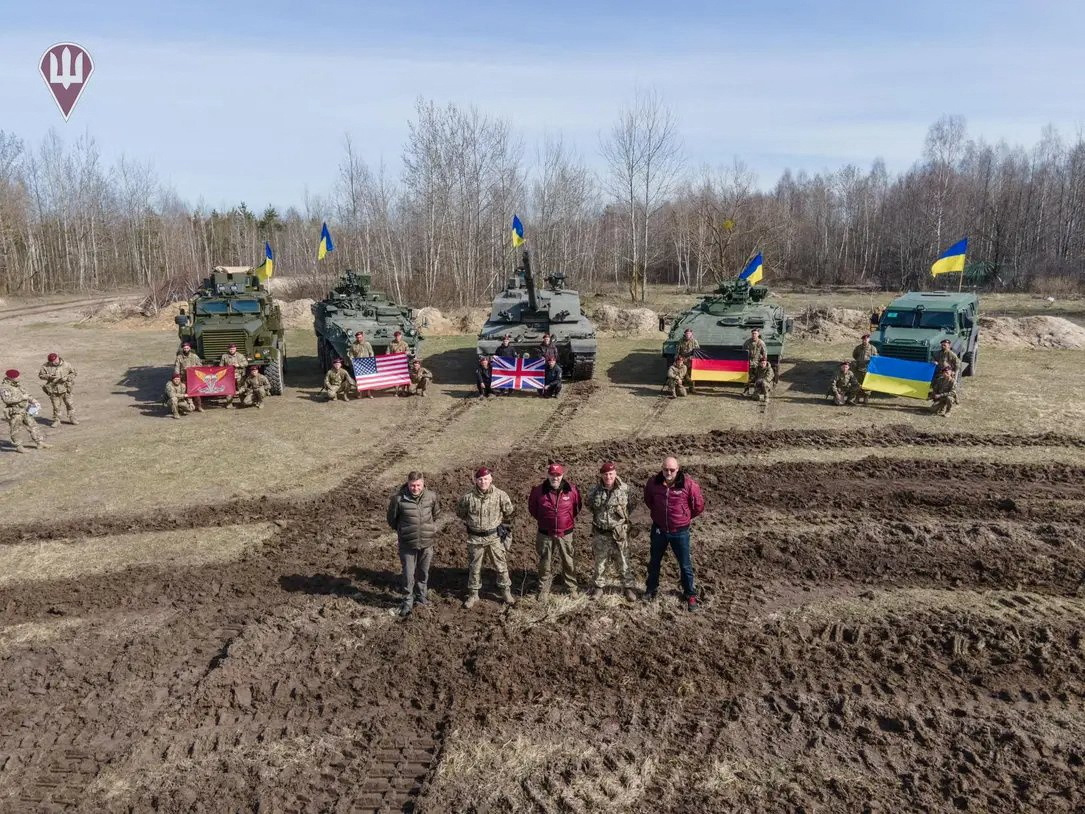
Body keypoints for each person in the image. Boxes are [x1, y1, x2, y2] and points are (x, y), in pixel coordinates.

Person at [642, 457, 705, 611]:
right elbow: (649, 501)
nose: (668, 472)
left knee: (685, 565)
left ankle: (690, 594)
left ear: (678, 469)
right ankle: (651, 590)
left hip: (680, 532)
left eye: (672, 470)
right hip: (659, 530)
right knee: (654, 562)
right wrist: (659, 516)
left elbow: (698, 506)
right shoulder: (653, 483)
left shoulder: (688, 484)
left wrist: (683, 518)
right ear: (661, 468)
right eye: (665, 469)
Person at [455, 467, 516, 608]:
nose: (483, 482)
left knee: (501, 566)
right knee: (474, 568)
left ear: (491, 479)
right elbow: (460, 513)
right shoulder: (468, 498)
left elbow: (509, 512)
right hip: (475, 539)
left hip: (494, 538)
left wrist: (506, 532)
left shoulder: (501, 495)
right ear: (476, 480)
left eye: (486, 479)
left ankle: (505, 591)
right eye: (480, 479)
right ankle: (473, 594)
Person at [387, 470, 441, 616]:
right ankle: (407, 601)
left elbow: (435, 514)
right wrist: (404, 531)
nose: (415, 488)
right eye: (412, 486)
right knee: (408, 575)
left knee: (423, 573)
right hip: (407, 544)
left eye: (418, 485)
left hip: (426, 543)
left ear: (423, 484)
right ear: (408, 484)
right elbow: (392, 520)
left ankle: (421, 597)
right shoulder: (398, 499)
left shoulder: (431, 497)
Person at [528, 463, 582, 601]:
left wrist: (565, 521)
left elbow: (576, 508)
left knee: (568, 561)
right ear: (548, 475)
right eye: (552, 475)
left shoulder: (572, 491)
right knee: (544, 562)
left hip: (566, 533)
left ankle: (571, 588)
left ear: (562, 475)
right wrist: (547, 521)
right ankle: (543, 589)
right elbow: (533, 510)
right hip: (545, 533)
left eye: (558, 475)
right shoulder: (538, 491)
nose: (555, 478)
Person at [586, 462, 638, 601]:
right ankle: (599, 588)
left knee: (623, 561)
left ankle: (628, 588)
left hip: (619, 533)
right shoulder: (594, 491)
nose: (608, 476)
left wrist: (619, 522)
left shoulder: (626, 489)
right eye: (605, 474)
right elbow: (590, 506)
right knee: (600, 562)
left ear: (615, 474)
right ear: (601, 475)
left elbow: (632, 505)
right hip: (601, 533)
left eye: (610, 474)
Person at [2, 370, 50, 453]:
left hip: (24, 410)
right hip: (15, 412)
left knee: (33, 425)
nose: (19, 378)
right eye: (17, 377)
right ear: (11, 378)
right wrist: (22, 398)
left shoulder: (17, 385)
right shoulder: (4, 387)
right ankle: (19, 447)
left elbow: (26, 394)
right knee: (16, 429)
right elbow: (7, 400)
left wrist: (33, 400)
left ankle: (39, 443)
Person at [38, 352, 78, 427]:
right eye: (52, 362)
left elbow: (74, 373)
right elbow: (40, 375)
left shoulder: (66, 364)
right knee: (56, 407)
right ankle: (57, 420)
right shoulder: (45, 366)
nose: (54, 362)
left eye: (55, 360)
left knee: (69, 404)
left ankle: (72, 418)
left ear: (58, 357)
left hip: (66, 389)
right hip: (54, 390)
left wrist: (67, 378)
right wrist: (49, 376)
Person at [173, 343, 204, 412]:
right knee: (185, 392)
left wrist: (192, 368)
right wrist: (177, 377)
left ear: (190, 348)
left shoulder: (194, 356)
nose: (186, 349)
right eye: (184, 348)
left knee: (196, 392)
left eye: (187, 348)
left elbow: (200, 365)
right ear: (182, 349)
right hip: (183, 377)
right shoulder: (179, 357)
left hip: (193, 378)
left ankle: (199, 406)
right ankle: (186, 407)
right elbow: (177, 367)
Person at [219, 343, 248, 409]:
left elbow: (246, 363)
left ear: (235, 349)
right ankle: (229, 404)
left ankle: (243, 402)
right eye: (230, 349)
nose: (232, 350)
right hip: (228, 376)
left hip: (239, 375)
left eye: (233, 349)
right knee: (229, 389)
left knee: (240, 388)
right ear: (228, 349)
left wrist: (239, 364)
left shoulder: (240, 356)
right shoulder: (224, 356)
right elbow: (221, 366)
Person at [348, 331, 375, 398]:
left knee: (367, 379)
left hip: (366, 364)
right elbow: (350, 354)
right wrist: (351, 359)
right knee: (359, 380)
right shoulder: (353, 345)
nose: (359, 339)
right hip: (358, 365)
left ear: (362, 337)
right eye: (357, 337)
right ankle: (360, 393)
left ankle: (369, 393)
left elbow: (371, 352)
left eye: (360, 337)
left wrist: (371, 359)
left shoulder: (367, 344)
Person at [741, 329, 768, 395]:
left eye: (755, 333)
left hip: (757, 363)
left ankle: (756, 392)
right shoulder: (747, 342)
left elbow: (765, 353)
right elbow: (743, 351)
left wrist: (764, 363)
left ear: (758, 334)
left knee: (758, 378)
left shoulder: (761, 342)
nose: (754, 335)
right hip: (749, 363)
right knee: (747, 378)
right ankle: (746, 391)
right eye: (753, 333)